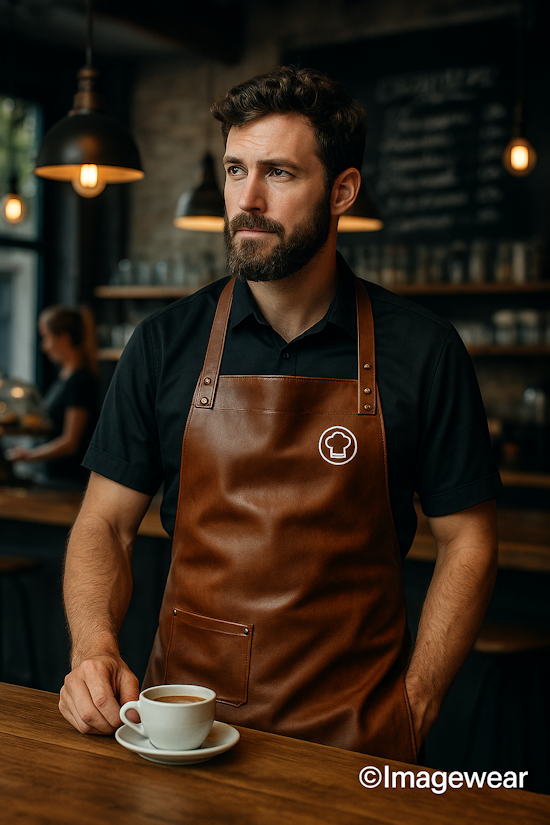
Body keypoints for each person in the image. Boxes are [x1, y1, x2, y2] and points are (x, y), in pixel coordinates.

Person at [59, 66, 501, 763]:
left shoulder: (424, 350)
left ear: (342, 191)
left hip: (356, 738)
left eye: (280, 173)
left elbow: (469, 540)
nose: (249, 199)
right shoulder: (165, 343)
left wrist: (417, 703)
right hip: (185, 728)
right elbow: (105, 525)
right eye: (236, 169)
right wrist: (93, 649)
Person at [6, 305, 98, 487]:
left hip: (67, 482)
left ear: (64, 338)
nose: (44, 346)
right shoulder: (65, 378)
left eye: (46, 337)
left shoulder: (80, 382)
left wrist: (29, 456)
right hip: (53, 477)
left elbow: (70, 442)